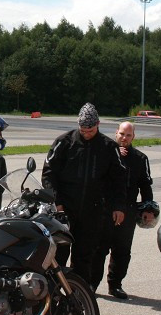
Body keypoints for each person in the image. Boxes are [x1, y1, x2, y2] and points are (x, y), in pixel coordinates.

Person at [41, 103, 126, 287]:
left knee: (84, 257)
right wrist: (57, 202)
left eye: (91, 130)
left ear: (98, 125)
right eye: (83, 130)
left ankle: (80, 299)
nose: (87, 133)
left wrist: (119, 206)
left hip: (93, 211)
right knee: (58, 256)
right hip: (64, 211)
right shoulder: (64, 142)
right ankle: (55, 296)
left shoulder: (108, 146)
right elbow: (48, 174)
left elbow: (119, 179)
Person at [89, 121, 154, 299]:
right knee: (99, 249)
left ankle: (115, 284)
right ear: (116, 133)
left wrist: (148, 208)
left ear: (133, 137)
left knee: (122, 250)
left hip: (129, 210)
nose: (124, 138)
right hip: (104, 210)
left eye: (128, 135)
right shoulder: (103, 153)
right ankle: (91, 284)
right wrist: (114, 155)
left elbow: (146, 186)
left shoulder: (140, 158)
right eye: (121, 134)